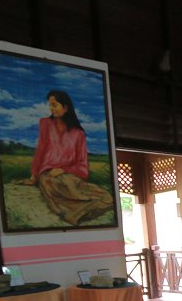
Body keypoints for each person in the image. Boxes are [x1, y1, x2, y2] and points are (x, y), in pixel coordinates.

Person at [19, 89, 113, 226]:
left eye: (54, 105)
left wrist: (64, 169)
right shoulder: (45, 124)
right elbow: (41, 150)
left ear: (66, 107)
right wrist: (34, 175)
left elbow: (82, 164)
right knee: (52, 184)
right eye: (50, 105)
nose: (51, 109)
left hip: (70, 174)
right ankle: (78, 213)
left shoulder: (78, 133)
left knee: (98, 194)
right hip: (48, 173)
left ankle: (86, 208)